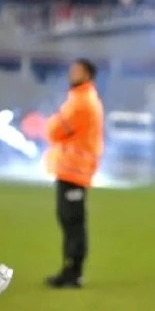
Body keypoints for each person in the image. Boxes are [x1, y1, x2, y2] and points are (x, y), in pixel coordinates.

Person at [45, 58, 105, 289]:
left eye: (77, 71)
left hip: (75, 169)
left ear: (87, 74)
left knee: (73, 221)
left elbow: (56, 129)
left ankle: (74, 271)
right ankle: (69, 269)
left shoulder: (82, 102)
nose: (72, 74)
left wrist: (52, 125)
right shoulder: (81, 99)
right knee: (69, 220)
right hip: (71, 169)